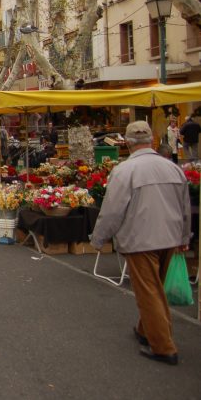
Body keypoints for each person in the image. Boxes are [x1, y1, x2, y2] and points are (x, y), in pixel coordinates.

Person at [91, 121, 191, 366]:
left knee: (148, 293)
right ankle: (146, 329)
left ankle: (163, 347)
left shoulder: (124, 171)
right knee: (156, 288)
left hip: (140, 239)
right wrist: (184, 237)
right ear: (152, 140)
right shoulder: (173, 168)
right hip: (170, 236)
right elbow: (184, 207)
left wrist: (98, 238)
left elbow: (112, 210)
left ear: (127, 142)